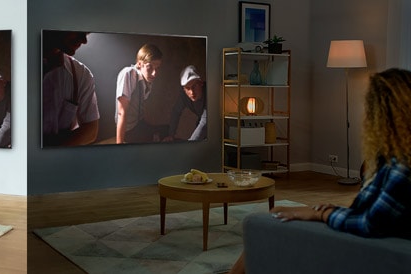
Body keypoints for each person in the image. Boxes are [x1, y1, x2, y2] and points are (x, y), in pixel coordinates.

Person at [229, 68, 411, 274]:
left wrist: (320, 215)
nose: (366, 115)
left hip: (364, 250)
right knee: (279, 215)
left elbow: (369, 223)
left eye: (369, 107)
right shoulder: (391, 161)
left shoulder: (403, 169)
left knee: (264, 225)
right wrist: (319, 210)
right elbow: (366, 212)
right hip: (361, 238)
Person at [42, 31, 100, 146]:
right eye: (77, 31)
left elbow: (91, 131)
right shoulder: (14, 65)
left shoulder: (81, 74)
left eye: (86, 34)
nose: (84, 40)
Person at [115, 44, 163, 144]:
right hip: (128, 129)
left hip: (138, 124)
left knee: (166, 130)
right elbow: (121, 113)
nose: (154, 73)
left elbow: (140, 105)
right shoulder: (129, 74)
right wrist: (119, 146)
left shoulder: (148, 79)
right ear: (140, 64)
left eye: (157, 68)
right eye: (150, 67)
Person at [163, 65, 207, 142]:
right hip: (203, 122)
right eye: (188, 88)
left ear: (201, 83)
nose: (192, 92)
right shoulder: (183, 96)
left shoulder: (209, 92)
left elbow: (205, 121)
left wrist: (190, 145)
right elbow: (176, 112)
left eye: (194, 86)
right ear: (184, 89)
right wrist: (171, 135)